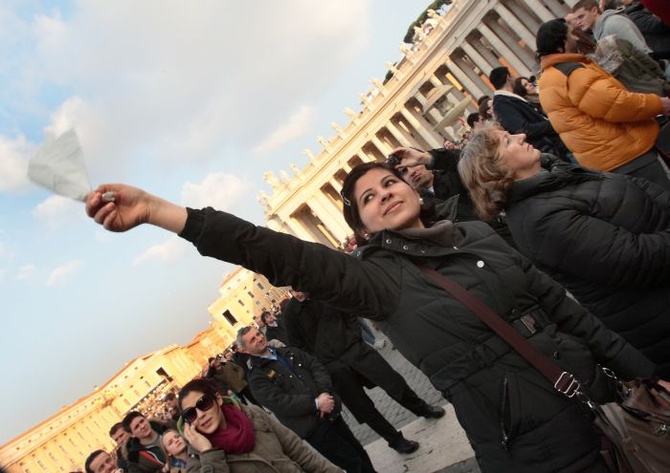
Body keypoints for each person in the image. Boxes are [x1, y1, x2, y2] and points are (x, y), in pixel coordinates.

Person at [86, 165, 658, 473]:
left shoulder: (476, 235)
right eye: (368, 197)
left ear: (412, 187)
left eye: (390, 182)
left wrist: (643, 375)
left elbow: (564, 311)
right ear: (362, 224)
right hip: (531, 444)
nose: (385, 194)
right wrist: (164, 214)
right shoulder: (374, 280)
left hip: (603, 395)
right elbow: (276, 251)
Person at [458, 123, 670, 377]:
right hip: (657, 316)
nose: (521, 135)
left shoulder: (555, 172)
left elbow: (634, 186)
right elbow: (635, 259)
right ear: (494, 168)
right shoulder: (539, 220)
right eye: (508, 141)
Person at [283, 289, 443, 454]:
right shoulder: (290, 314)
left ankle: (422, 408)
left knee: (393, 382)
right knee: (364, 409)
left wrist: (354, 337)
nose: (299, 292)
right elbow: (298, 348)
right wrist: (322, 364)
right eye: (294, 290)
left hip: (356, 350)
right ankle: (395, 440)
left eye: (300, 288)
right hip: (333, 368)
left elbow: (348, 313)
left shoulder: (324, 292)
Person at [536, 18, 670, 186]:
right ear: (560, 43)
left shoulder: (548, 77)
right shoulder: (571, 73)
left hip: (605, 157)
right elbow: (616, 104)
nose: (577, 38)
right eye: (571, 34)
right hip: (625, 153)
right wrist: (658, 104)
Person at [236, 326, 376, 472]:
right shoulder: (257, 378)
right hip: (313, 427)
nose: (259, 338)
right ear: (245, 350)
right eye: (252, 340)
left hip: (329, 410)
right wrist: (316, 404)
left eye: (258, 334)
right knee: (352, 462)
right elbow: (281, 403)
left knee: (358, 450)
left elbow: (316, 366)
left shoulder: (287, 351)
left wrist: (324, 393)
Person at [177, 378, 342, 472]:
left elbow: (299, 453)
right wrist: (208, 453)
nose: (200, 415)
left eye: (203, 403)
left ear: (218, 399)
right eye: (190, 414)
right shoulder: (197, 462)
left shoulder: (252, 413)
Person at [489, 66, 570, 162]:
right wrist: (553, 123)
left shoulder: (508, 99)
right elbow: (523, 129)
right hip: (548, 148)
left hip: (554, 144)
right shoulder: (501, 103)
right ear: (508, 77)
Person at [572, 0, 651, 54]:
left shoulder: (612, 23)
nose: (578, 22)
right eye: (576, 19)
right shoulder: (598, 31)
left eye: (581, 17)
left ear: (594, 11)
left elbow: (641, 49)